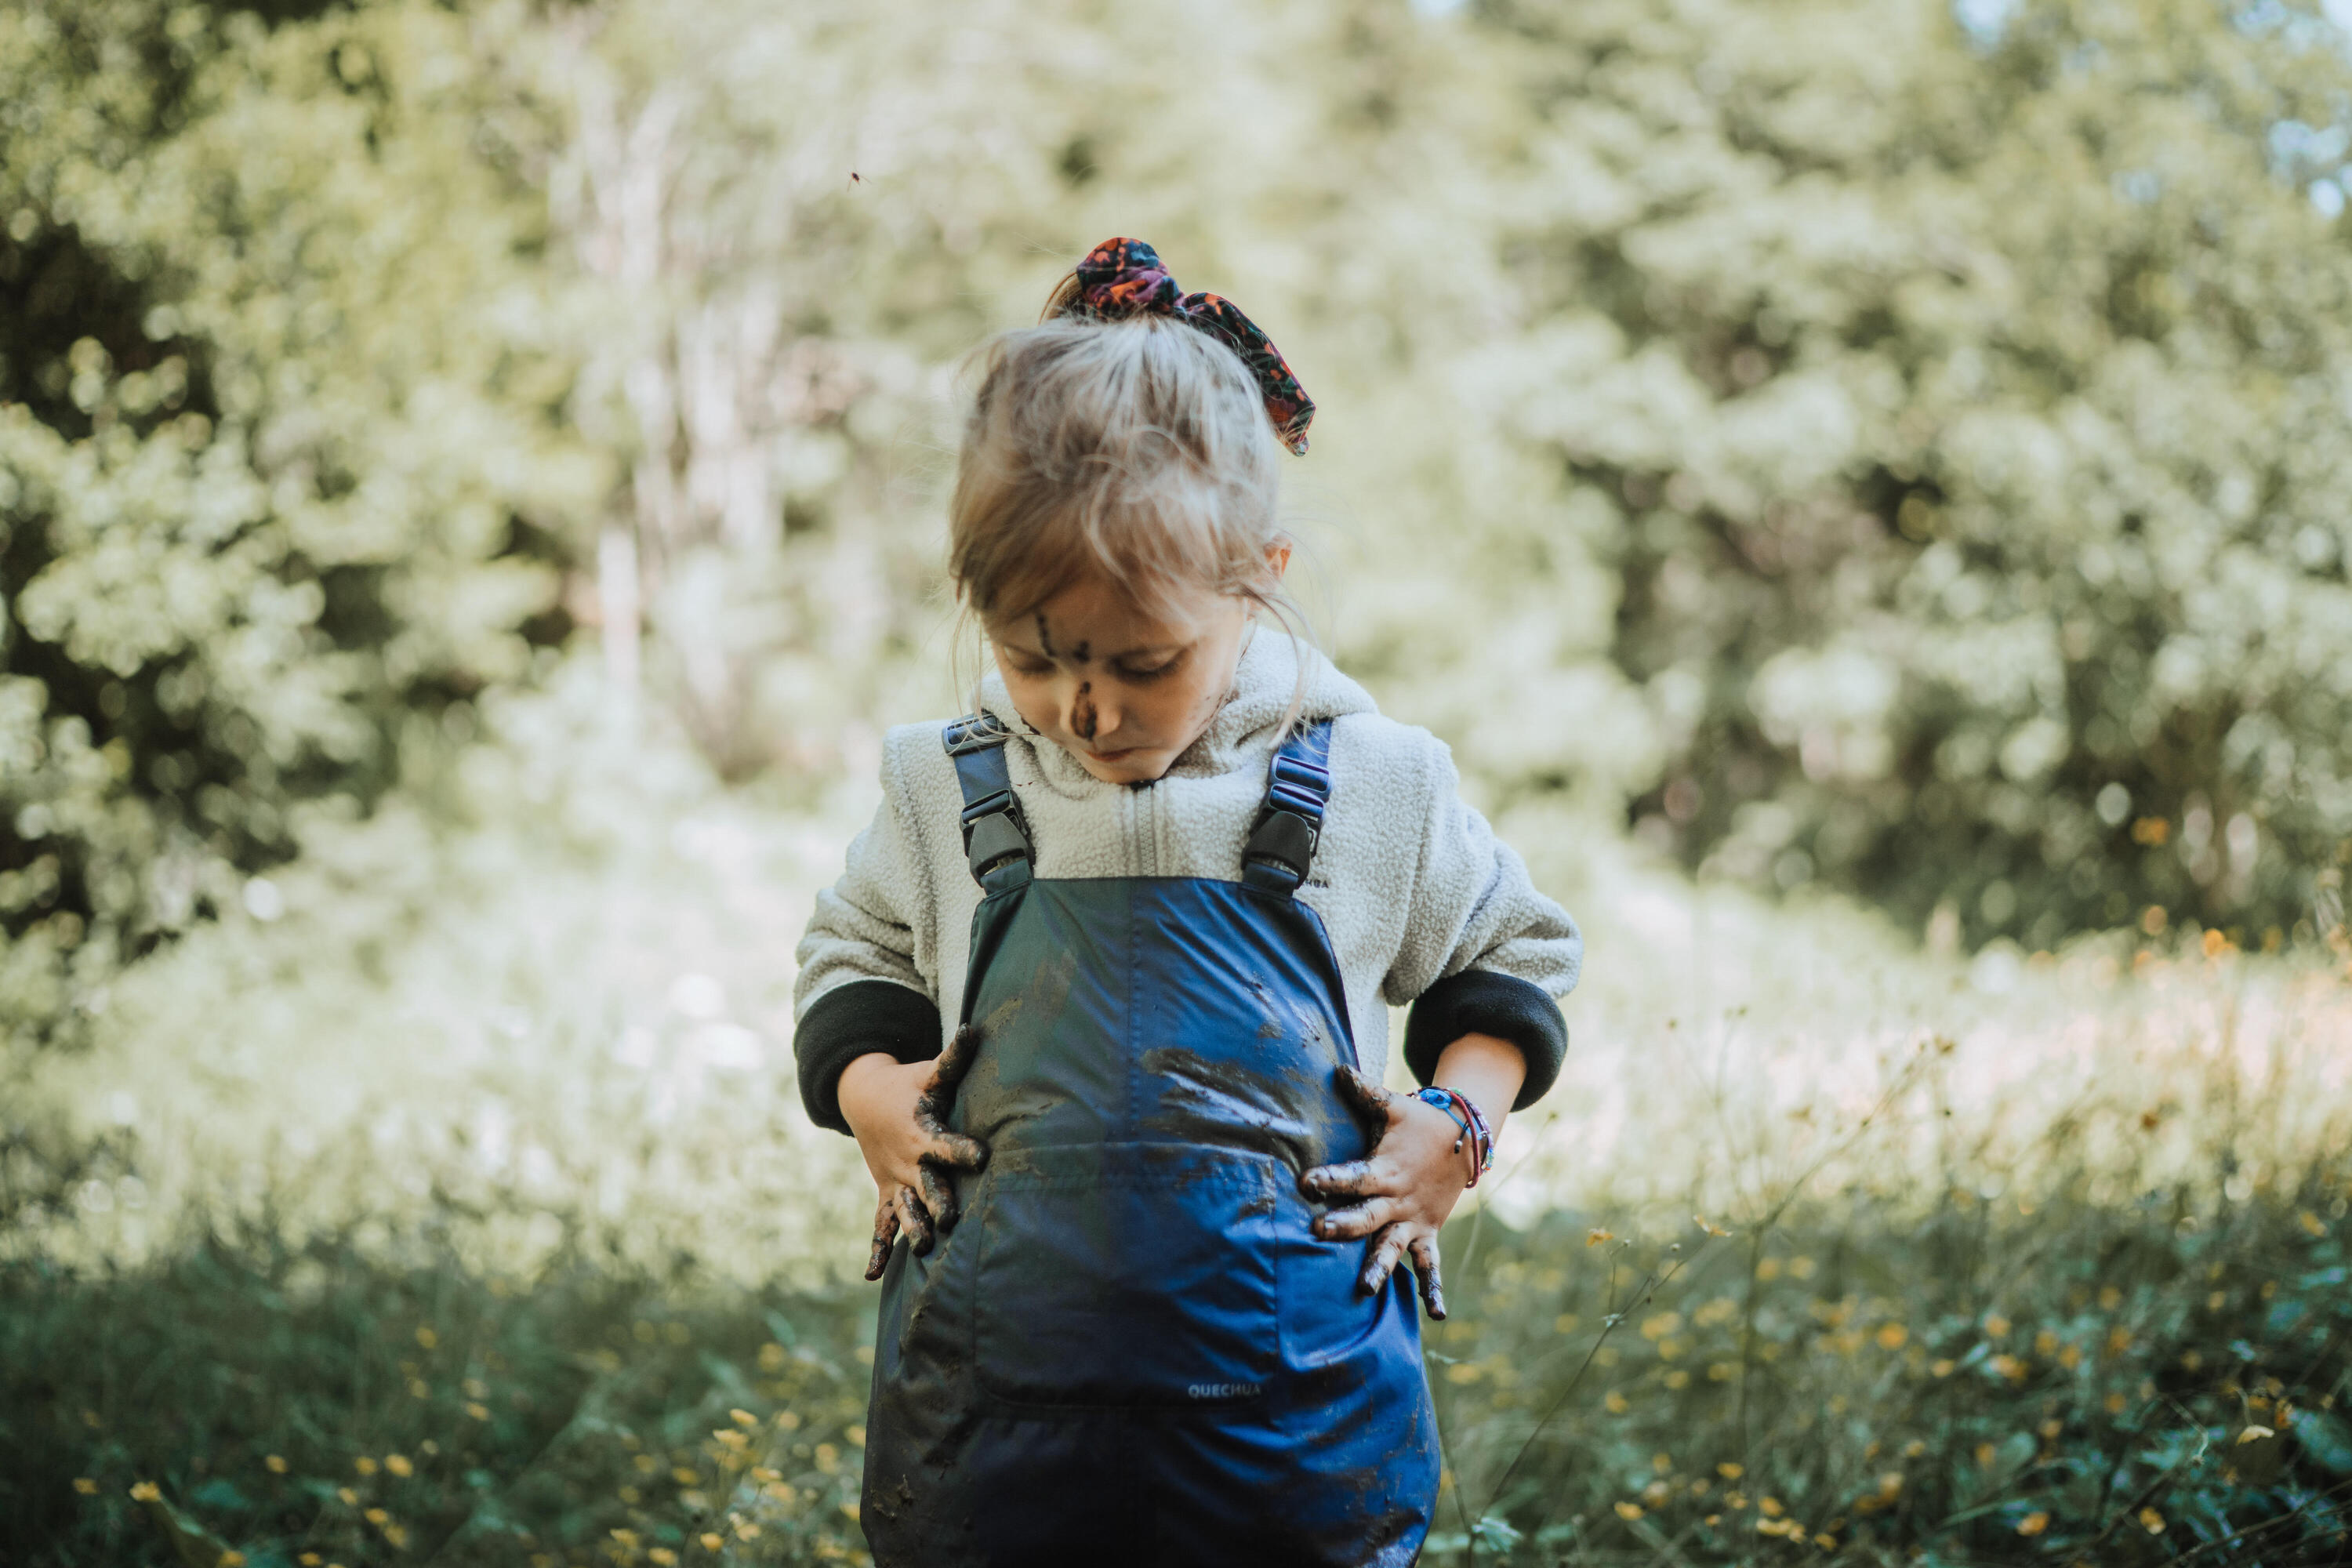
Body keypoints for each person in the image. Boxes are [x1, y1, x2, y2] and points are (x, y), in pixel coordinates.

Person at [791, 237, 1582, 1568]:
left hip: (1299, 1445)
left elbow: (1512, 954)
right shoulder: (944, 785)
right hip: (988, 1443)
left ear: (1257, 572)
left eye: (1139, 663)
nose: (1082, 709)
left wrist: (1460, 1125)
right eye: (1032, 659)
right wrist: (870, 1090)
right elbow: (852, 950)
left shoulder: (1378, 784)